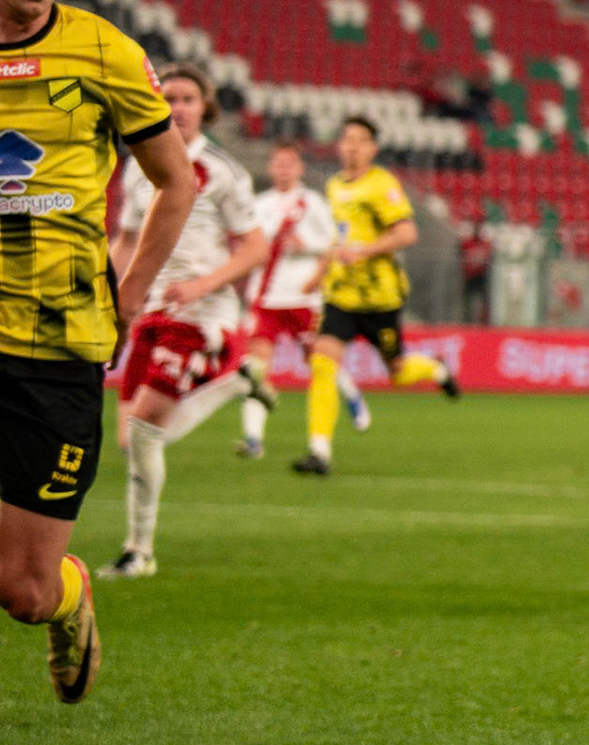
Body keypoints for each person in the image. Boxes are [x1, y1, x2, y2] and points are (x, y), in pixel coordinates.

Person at [0, 0, 195, 697]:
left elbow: (176, 181)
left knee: (23, 590)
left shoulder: (103, 50)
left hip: (56, 342)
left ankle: (70, 594)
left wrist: (132, 291)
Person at [96, 65, 279, 577]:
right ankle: (237, 383)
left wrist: (203, 284)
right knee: (131, 439)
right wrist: (106, 294)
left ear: (205, 108)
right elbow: (127, 240)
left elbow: (256, 248)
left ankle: (139, 552)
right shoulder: (138, 168)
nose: (177, 107)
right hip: (152, 309)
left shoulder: (223, 171)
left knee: (145, 425)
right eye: (169, 98)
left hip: (202, 312)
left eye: (188, 99)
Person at [293, 117, 459, 476]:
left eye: (360, 140)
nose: (351, 146)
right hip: (341, 296)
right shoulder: (335, 186)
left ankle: (437, 368)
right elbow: (338, 239)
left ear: (373, 148)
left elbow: (407, 233)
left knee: (397, 372)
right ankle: (319, 452)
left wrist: (365, 251)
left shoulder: (382, 185)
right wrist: (318, 275)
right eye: (346, 139)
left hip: (380, 298)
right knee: (323, 364)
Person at [228, 141, 370, 459]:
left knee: (320, 362)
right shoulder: (259, 205)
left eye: (289, 164)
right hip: (266, 298)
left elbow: (334, 241)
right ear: (271, 168)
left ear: (299, 168)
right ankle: (253, 440)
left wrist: (309, 251)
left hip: (303, 298)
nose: (283, 169)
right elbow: (247, 245)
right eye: (278, 164)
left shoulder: (313, 203)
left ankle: (351, 394)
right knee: (257, 368)